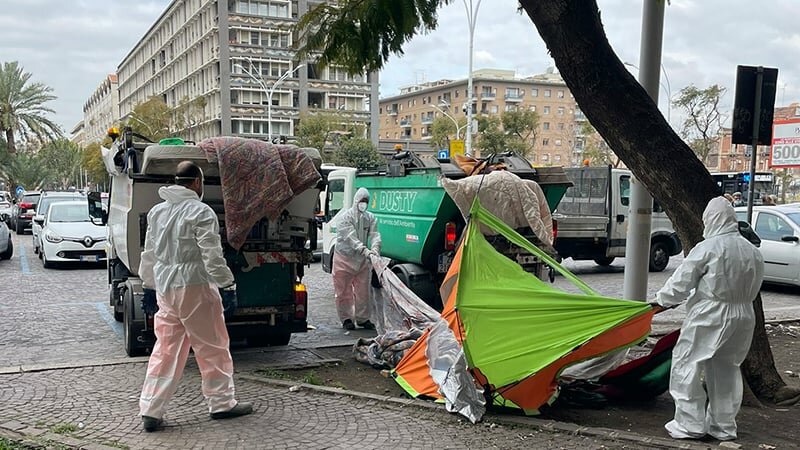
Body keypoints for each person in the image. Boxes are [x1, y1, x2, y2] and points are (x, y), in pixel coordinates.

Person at [138, 161, 252, 432]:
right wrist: (228, 285)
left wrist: (149, 285)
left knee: (165, 350)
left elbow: (149, 253)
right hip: (196, 286)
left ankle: (151, 409)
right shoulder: (201, 212)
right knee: (212, 347)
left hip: (166, 288)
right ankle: (222, 403)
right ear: (197, 183)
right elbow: (211, 256)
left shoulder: (157, 212)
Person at [652, 196, 764, 441]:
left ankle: (689, 424)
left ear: (711, 220)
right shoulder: (752, 251)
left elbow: (682, 282)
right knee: (726, 369)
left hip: (711, 312)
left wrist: (662, 300)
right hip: (744, 315)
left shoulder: (709, 248)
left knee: (687, 363)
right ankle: (723, 426)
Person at [333, 187, 381, 330]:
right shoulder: (344, 218)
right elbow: (350, 238)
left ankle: (363, 319)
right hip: (344, 259)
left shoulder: (370, 218)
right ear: (356, 200)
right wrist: (365, 251)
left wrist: (375, 248)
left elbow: (374, 234)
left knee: (363, 291)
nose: (363, 204)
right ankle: (346, 319)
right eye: (362, 201)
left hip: (362, 261)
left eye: (366, 201)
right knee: (343, 291)